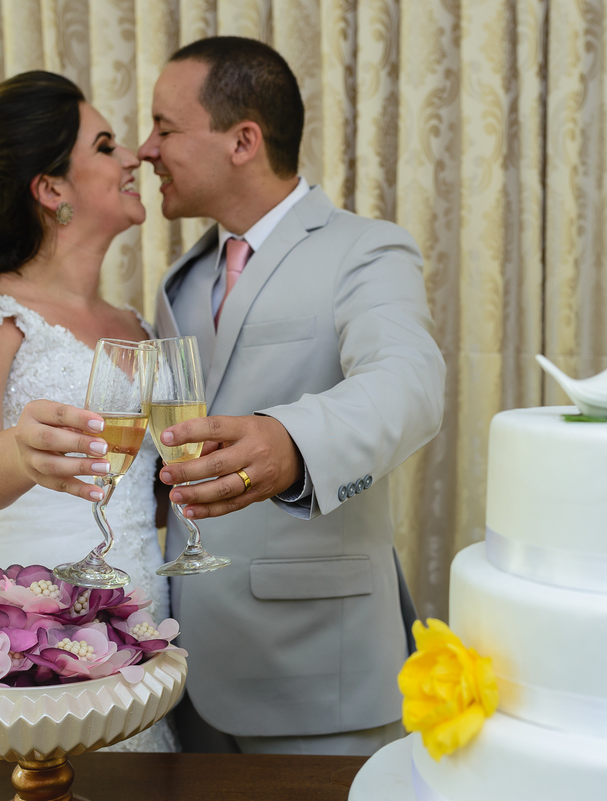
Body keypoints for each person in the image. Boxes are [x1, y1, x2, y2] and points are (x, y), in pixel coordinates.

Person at [138, 37, 446, 755]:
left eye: (166, 126)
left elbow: (409, 381)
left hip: (319, 674)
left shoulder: (366, 250)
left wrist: (291, 440)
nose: (146, 149)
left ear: (243, 140)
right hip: (186, 678)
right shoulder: (180, 282)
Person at [0, 71, 175, 751]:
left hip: (136, 640)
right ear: (51, 189)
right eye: (107, 145)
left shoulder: (139, 325)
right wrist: (19, 453)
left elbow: (142, 489)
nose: (134, 159)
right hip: (18, 644)